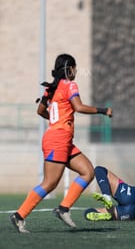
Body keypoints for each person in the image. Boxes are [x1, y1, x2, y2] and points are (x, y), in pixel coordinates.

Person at [10, 53, 113, 233]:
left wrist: (55, 119)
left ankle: (63, 209)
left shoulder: (51, 88)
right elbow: (78, 107)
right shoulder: (69, 84)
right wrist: (103, 110)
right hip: (58, 140)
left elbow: (40, 110)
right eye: (74, 68)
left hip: (62, 140)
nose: (76, 71)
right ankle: (19, 215)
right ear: (69, 69)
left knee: (87, 171)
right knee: (50, 183)